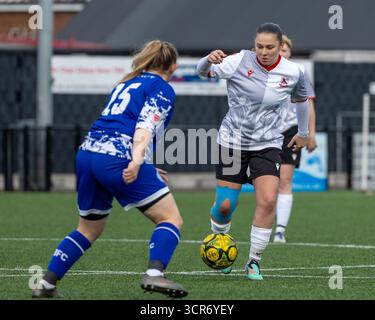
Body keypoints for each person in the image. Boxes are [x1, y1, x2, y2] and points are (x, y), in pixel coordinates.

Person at [32, 40, 188, 298]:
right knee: (170, 218)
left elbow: (119, 123)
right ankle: (154, 275)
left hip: (87, 154)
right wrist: (137, 162)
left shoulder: (125, 84)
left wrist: (146, 163)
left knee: (89, 228)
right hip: (119, 156)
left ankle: (47, 284)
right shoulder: (162, 88)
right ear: (173, 65)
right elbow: (144, 127)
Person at [196, 22, 310, 280]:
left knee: (268, 199)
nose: (264, 51)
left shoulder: (293, 72)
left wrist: (303, 133)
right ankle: (222, 247)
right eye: (259, 46)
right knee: (225, 206)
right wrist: (207, 59)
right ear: (254, 44)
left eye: (270, 47)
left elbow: (302, 100)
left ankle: (254, 261)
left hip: (268, 143)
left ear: (281, 47)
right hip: (231, 141)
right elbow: (201, 72)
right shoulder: (238, 61)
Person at [273, 35, 317, 243]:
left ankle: (280, 230)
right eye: (279, 49)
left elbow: (308, 104)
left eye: (285, 49)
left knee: (285, 179)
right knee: (266, 182)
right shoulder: (262, 71)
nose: (282, 53)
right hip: (265, 131)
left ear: (290, 52)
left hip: (291, 130)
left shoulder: (298, 71)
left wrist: (310, 134)